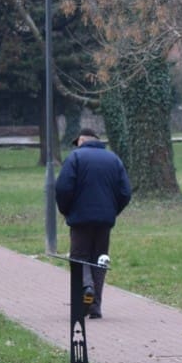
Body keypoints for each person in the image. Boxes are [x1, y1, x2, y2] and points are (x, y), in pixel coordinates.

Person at [55, 129, 132, 319]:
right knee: (100, 259)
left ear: (81, 140)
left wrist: (66, 210)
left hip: (80, 220)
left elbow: (63, 188)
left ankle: (87, 287)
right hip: (105, 220)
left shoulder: (75, 158)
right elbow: (125, 192)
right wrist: (112, 211)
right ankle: (95, 307)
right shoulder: (113, 159)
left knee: (79, 257)